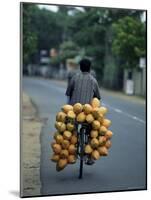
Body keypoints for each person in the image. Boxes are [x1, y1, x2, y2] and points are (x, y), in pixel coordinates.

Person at [65, 58, 101, 165]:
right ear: (90, 68)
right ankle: (90, 157)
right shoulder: (93, 80)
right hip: (88, 113)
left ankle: (72, 154)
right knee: (93, 133)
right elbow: (98, 97)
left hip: (74, 112)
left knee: (70, 130)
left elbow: (68, 93)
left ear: (80, 68)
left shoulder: (74, 78)